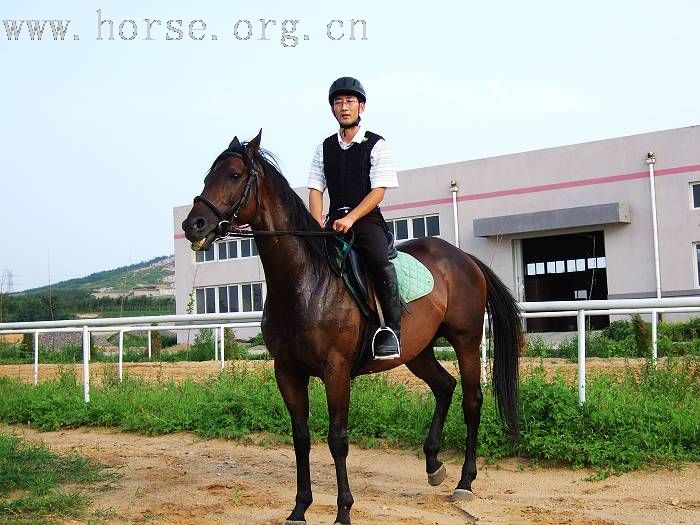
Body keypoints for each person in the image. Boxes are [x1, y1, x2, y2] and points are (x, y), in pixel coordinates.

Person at [308, 76, 401, 359]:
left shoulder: (376, 144)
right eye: (338, 102)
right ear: (333, 109)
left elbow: (379, 191)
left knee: (377, 259)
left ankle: (392, 331)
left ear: (361, 106)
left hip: (367, 220)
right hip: (333, 222)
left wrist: (352, 219)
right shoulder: (324, 147)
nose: (344, 107)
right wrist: (315, 226)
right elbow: (314, 189)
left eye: (349, 101)